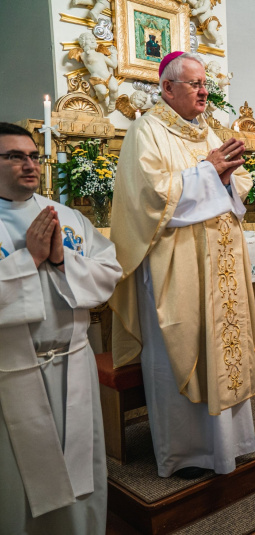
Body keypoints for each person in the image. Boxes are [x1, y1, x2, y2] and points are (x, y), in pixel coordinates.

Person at [109, 51, 255, 479]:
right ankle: (188, 451)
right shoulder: (147, 131)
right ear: (167, 88)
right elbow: (151, 197)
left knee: (225, 345)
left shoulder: (209, 132)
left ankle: (233, 441)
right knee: (185, 347)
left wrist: (226, 177)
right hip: (175, 264)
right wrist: (208, 172)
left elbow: (239, 182)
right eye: (194, 83)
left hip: (221, 260)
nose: (203, 90)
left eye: (205, 84)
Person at [0, 122, 122, 533]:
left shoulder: (67, 217)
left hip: (73, 364)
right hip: (11, 373)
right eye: (14, 156)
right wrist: (26, 261)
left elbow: (109, 272)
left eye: (33, 155)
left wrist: (60, 260)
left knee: (81, 472)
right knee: (18, 481)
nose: (29, 164)